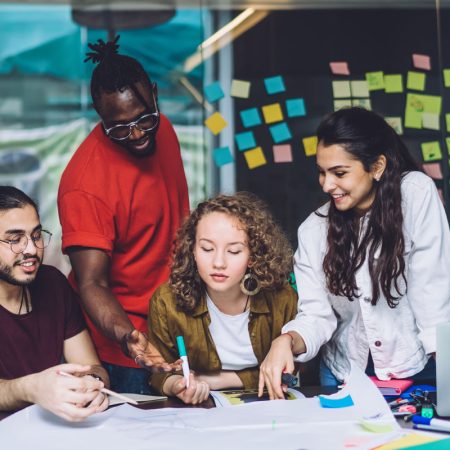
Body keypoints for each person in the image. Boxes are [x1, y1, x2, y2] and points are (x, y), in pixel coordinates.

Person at [259, 107, 450, 399]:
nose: (327, 184)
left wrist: (446, 374)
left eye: (339, 173)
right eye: (322, 173)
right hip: (344, 373)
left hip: (416, 367)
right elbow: (316, 317)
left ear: (376, 167)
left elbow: (432, 292)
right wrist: (285, 340)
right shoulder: (313, 231)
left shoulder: (414, 194)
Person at [57, 36, 189, 394]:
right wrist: (127, 336)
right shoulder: (85, 184)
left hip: (177, 326)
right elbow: (92, 284)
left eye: (144, 119)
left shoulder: (164, 131)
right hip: (129, 349)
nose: (136, 134)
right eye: (118, 127)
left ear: (155, 94)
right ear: (99, 117)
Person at [147, 192, 297, 404]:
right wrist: (178, 386)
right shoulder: (166, 302)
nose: (218, 262)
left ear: (253, 256)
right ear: (193, 250)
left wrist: (215, 380)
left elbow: (290, 372)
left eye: (234, 251)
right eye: (207, 248)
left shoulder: (280, 298)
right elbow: (158, 373)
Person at [0, 186, 109, 421]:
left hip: (52, 430)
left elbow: (90, 365)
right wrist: (32, 388)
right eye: (14, 240)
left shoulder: (52, 283)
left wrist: (93, 384)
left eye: (36, 235)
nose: (31, 249)